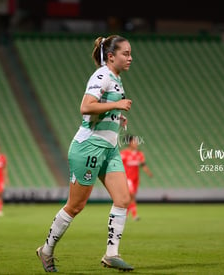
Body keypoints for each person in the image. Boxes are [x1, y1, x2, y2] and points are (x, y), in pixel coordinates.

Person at [36, 35, 134, 272]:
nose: (130, 58)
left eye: (130, 53)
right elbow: (86, 106)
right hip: (88, 147)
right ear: (111, 56)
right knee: (75, 206)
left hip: (109, 148)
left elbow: (97, 112)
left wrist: (115, 117)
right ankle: (46, 249)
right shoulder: (101, 75)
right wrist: (116, 106)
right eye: (125, 53)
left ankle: (111, 254)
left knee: (122, 199)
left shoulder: (116, 79)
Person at [120, 134, 153, 221]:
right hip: (127, 178)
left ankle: (127, 215)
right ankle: (134, 216)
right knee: (130, 195)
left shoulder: (139, 154)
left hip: (135, 178)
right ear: (130, 143)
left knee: (132, 197)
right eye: (134, 141)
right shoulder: (124, 153)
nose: (136, 143)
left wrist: (149, 173)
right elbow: (119, 165)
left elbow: (143, 165)